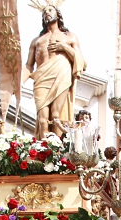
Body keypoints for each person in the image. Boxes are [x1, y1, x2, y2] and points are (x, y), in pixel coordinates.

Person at [25, 3, 86, 139]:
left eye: (50, 10)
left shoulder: (70, 37)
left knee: (56, 116)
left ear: (58, 14)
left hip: (61, 75)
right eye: (44, 12)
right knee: (42, 119)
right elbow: (29, 66)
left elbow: (83, 62)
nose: (47, 12)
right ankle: (43, 150)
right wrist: (17, 83)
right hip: (41, 78)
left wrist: (64, 47)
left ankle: (57, 151)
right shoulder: (36, 41)